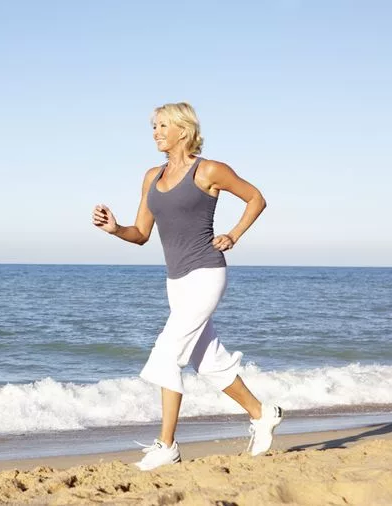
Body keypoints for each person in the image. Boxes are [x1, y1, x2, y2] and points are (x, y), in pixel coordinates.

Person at [92, 102, 283, 471]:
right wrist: (115, 229)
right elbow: (141, 234)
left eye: (163, 125)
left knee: (166, 354)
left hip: (206, 273)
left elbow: (256, 198)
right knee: (207, 361)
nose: (156, 132)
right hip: (175, 280)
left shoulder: (209, 170)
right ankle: (263, 414)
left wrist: (234, 235)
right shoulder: (152, 176)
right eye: (153, 127)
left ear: (183, 129)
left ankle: (167, 445)